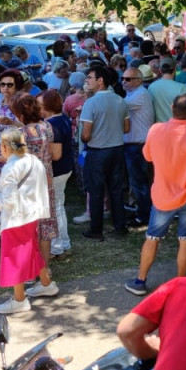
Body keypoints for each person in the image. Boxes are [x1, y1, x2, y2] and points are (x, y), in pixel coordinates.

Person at [127, 94, 186, 295]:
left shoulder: (156, 129)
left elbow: (147, 156)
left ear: (171, 107)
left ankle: (140, 280)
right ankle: (181, 282)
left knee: (152, 237)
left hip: (162, 195)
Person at [0, 127, 56, 314]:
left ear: (4, 147)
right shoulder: (33, 160)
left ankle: (19, 299)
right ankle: (46, 284)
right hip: (32, 214)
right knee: (31, 251)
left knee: (14, 257)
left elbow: (8, 201)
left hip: (15, 218)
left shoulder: (10, 168)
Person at [79, 65, 131, 240]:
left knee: (96, 191)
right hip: (117, 149)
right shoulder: (120, 100)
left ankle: (96, 229)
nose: (87, 81)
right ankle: (120, 225)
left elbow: (85, 134)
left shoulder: (90, 103)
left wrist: (87, 138)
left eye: (89, 78)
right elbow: (126, 128)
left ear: (100, 81)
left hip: (97, 151)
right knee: (116, 190)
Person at [12, 93, 60, 264]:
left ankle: (30, 267)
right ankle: (44, 266)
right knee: (45, 226)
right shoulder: (47, 127)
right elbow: (54, 154)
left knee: (28, 227)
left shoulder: (18, 134)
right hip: (45, 182)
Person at [39, 89, 74, 256]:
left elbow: (56, 154)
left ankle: (57, 246)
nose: (36, 108)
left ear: (48, 106)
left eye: (39, 105)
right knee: (58, 206)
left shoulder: (53, 124)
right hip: (64, 169)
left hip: (57, 171)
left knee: (56, 208)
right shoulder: (60, 119)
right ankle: (63, 243)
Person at [121, 63, 156, 231]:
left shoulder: (140, 95)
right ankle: (143, 213)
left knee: (139, 183)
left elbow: (118, 107)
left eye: (128, 79)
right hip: (134, 145)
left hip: (137, 146)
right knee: (138, 182)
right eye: (122, 78)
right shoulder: (134, 94)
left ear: (138, 80)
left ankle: (144, 216)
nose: (124, 82)